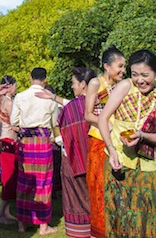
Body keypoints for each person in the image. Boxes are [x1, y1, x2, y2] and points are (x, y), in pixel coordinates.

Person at [96, 50, 156, 238]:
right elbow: (103, 118)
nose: (140, 80)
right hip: (119, 162)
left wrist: (142, 135)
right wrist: (112, 150)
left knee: (149, 216)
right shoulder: (125, 86)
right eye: (135, 74)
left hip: (147, 167)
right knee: (120, 217)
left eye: (145, 75)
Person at [11, 67, 61, 235]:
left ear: (30, 77)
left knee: (24, 182)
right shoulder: (49, 99)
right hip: (42, 142)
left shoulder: (20, 96)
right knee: (43, 183)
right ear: (45, 80)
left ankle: (22, 224)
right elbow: (54, 123)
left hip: (25, 143)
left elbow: (14, 121)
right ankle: (43, 227)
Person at [85, 48, 125, 238]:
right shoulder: (95, 83)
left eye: (124, 66)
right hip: (99, 141)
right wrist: (106, 123)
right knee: (100, 188)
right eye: (120, 66)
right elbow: (87, 115)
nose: (123, 70)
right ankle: (100, 232)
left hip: (118, 141)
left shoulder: (123, 86)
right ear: (107, 67)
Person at [59, 68, 97, 238]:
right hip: (96, 161)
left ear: (83, 84)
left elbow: (64, 137)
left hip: (74, 163)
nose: (73, 86)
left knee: (76, 202)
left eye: (74, 83)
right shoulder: (102, 102)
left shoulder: (71, 108)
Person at [0, 76, 19, 225]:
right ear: (10, 86)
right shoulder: (8, 102)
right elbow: (14, 123)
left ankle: (6, 211)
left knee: (10, 177)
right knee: (9, 178)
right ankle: (0, 214)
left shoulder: (2, 100)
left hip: (5, 141)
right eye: (15, 86)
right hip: (8, 141)